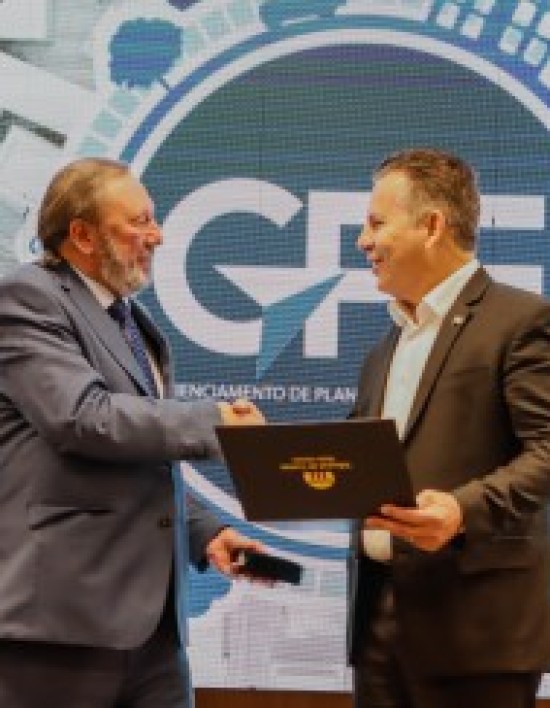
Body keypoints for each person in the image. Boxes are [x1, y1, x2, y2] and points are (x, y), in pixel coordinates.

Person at [0, 157, 267, 708]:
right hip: (62, 624)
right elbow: (83, 418)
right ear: (82, 235)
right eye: (140, 222)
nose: (158, 235)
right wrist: (214, 421)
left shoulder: (131, 321)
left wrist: (206, 533)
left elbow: (141, 459)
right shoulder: (27, 297)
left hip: (154, 632)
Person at [348, 147, 550, 708]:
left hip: (476, 636)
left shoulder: (521, 321)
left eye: (376, 224)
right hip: (378, 626)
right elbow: (358, 464)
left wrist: (461, 510)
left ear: (432, 226)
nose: (363, 241)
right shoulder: (384, 347)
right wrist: (275, 458)